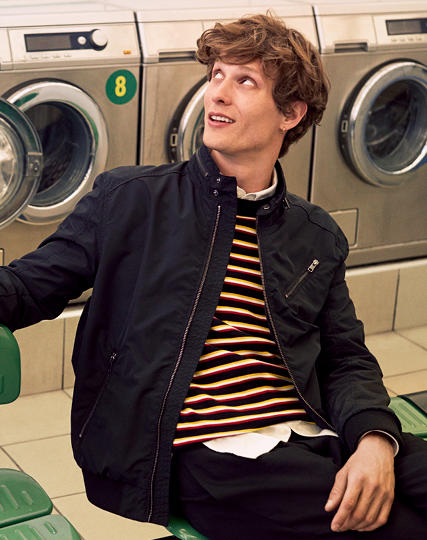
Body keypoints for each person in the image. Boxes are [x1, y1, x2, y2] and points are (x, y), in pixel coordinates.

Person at [0, 13, 426, 540]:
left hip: (311, 433)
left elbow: (345, 358)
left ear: (290, 113)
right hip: (210, 453)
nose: (217, 94)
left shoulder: (314, 235)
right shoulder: (130, 200)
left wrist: (376, 441)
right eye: (216, 75)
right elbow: (24, 289)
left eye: (244, 81)